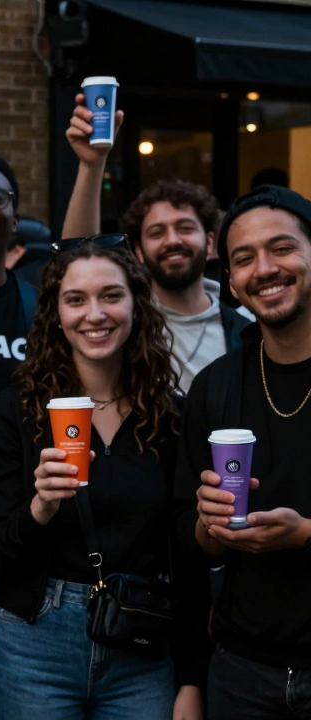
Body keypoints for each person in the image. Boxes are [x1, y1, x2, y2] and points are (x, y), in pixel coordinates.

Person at [0, 236, 208, 719]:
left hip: (142, 641)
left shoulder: (170, 417)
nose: (94, 314)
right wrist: (39, 508)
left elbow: (186, 557)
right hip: (34, 644)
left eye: (111, 295)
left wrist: (191, 678)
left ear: (136, 304)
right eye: (76, 299)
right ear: (55, 314)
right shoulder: (16, 411)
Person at [174, 185, 311, 719]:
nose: (265, 269)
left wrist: (304, 534)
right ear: (230, 281)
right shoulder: (215, 386)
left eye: (282, 248)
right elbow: (185, 537)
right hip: (242, 670)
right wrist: (209, 526)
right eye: (244, 258)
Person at [62, 94, 251, 393]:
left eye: (185, 228)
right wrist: (92, 165)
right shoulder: (120, 319)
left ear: (211, 242)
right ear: (137, 251)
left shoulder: (248, 327)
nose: (172, 240)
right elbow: (77, 256)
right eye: (156, 232)